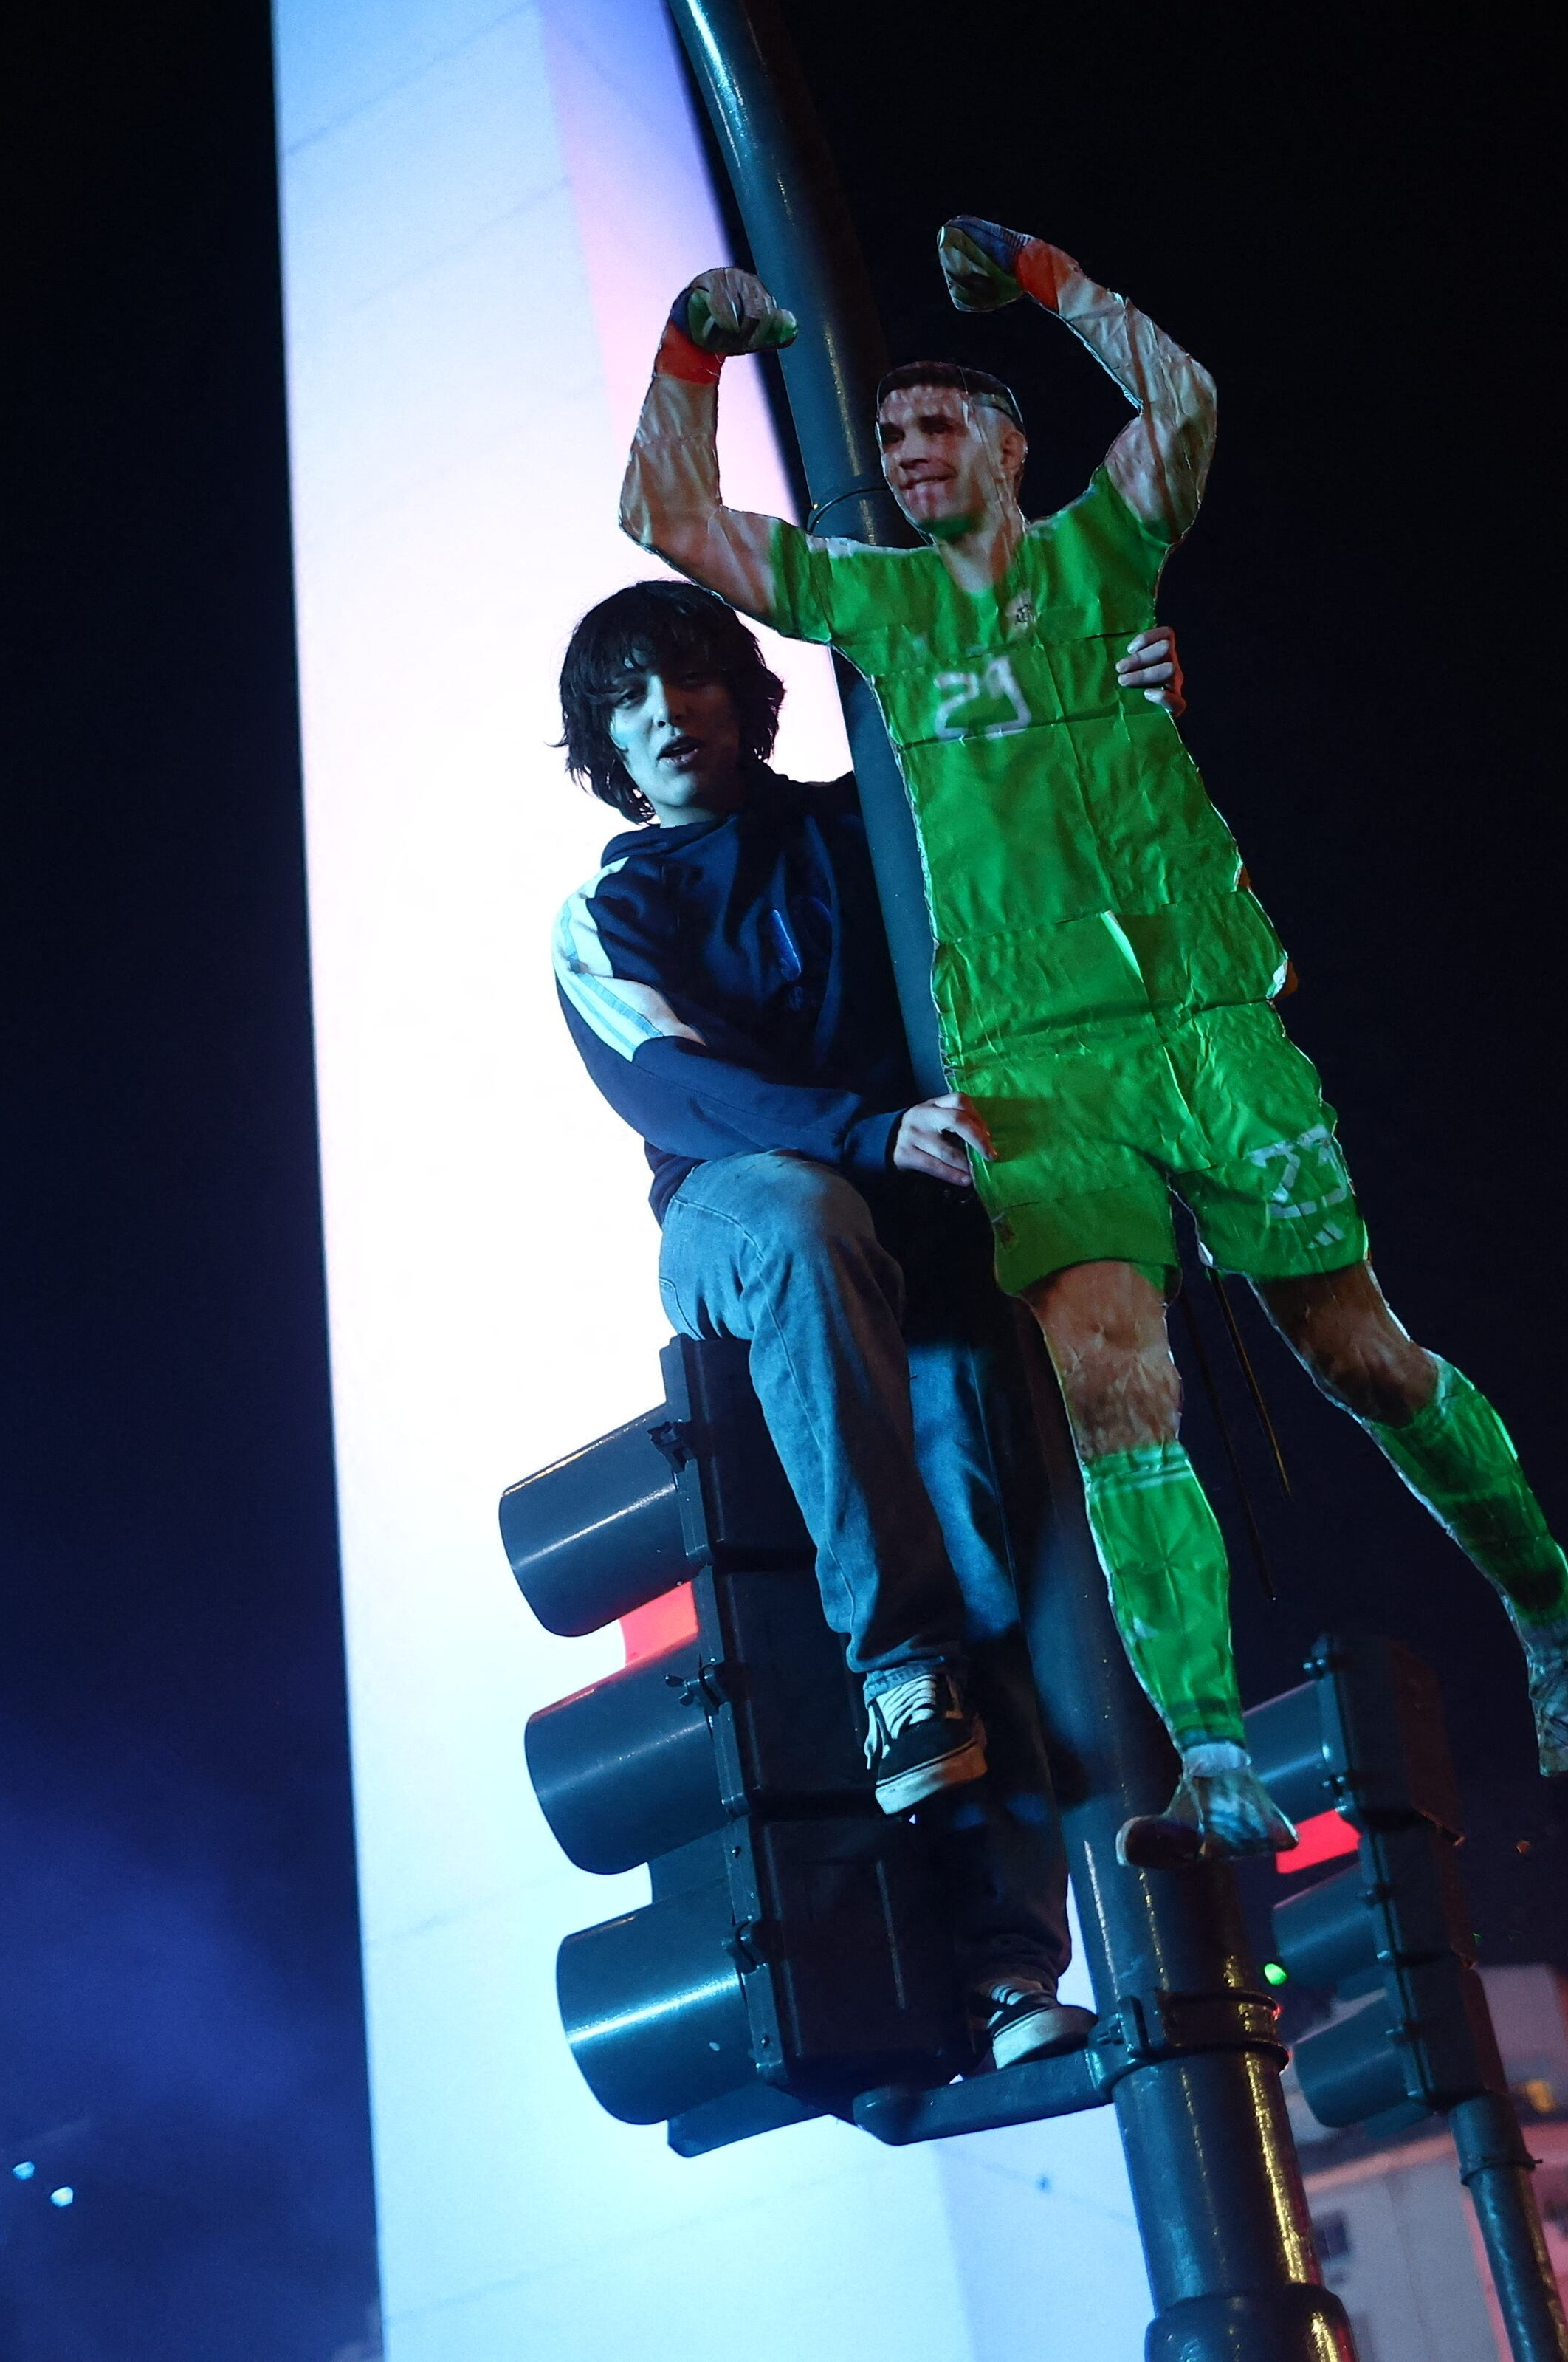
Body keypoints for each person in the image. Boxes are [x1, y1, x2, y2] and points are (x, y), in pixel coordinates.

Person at [617, 224, 1568, 1858]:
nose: (904, 450)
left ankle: (1556, 1615)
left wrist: (1043, 278)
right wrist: (691, 344)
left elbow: (1188, 399)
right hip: (1034, 1061)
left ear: (1015, 448)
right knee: (1116, 1391)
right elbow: (664, 518)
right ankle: (1215, 1754)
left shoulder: (1109, 560)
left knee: (1361, 1358)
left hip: (1208, 1021)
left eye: (939, 423)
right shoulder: (874, 605)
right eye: (886, 438)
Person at [546, 579, 1182, 2067]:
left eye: (692, 678)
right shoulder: (611, 907)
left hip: (920, 1246)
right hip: (739, 1219)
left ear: (740, 696)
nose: (667, 712)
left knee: (991, 1559)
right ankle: (894, 1661)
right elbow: (674, 1087)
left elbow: (1035, 853)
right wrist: (865, 1125)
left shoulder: (864, 834)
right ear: (604, 744)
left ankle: (1008, 1969)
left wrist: (1132, 716)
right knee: (791, 1206)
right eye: (631, 699)